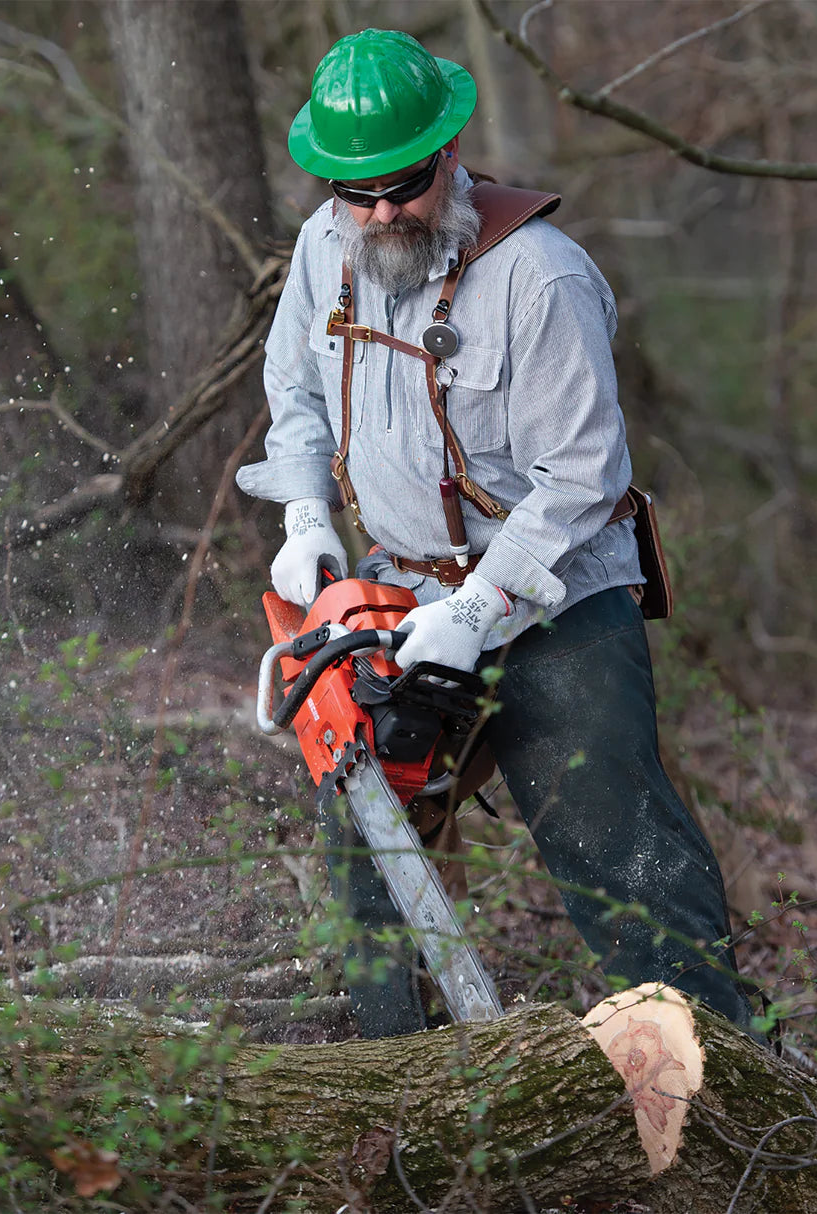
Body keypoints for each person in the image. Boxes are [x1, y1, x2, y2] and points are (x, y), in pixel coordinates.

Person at [236, 28, 758, 1039]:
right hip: (396, 590)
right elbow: (292, 392)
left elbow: (581, 477)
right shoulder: (322, 249)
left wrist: (479, 610)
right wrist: (304, 515)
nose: (383, 211)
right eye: (358, 193)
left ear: (448, 148)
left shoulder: (540, 279)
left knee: (615, 849)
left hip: (553, 593)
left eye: (403, 183)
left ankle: (712, 1078)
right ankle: (393, 1083)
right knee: (367, 845)